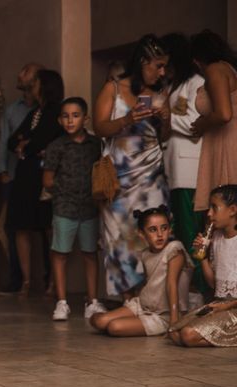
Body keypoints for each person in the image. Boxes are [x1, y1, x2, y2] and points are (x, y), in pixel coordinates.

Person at [93, 34, 171, 297]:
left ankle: (154, 296)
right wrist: (127, 119)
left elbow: (166, 137)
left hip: (152, 176)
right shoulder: (113, 88)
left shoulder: (161, 92)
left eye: (164, 66)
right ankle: (128, 299)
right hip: (120, 177)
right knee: (119, 236)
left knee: (153, 233)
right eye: (157, 65)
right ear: (142, 62)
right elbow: (99, 127)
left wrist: (165, 119)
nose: (162, 72)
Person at [42, 97, 107, 321]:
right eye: (66, 116)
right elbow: (48, 180)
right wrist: (66, 190)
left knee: (90, 253)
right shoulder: (56, 146)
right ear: (60, 120)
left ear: (86, 118)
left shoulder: (96, 145)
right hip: (64, 207)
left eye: (76, 115)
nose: (70, 120)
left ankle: (92, 301)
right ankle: (61, 302)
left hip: (90, 208)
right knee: (60, 254)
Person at [91, 205, 193, 337]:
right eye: (152, 230)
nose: (160, 234)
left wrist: (174, 321)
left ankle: (135, 323)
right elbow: (151, 283)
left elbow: (171, 284)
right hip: (143, 305)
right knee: (98, 321)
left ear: (170, 229)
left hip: (164, 315)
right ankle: (125, 319)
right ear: (141, 233)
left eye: (164, 228)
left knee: (114, 327)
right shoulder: (145, 254)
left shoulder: (175, 249)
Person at [7, 69, 65, 297]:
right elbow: (13, 141)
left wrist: (27, 145)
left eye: (36, 82)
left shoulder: (54, 112)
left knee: (47, 227)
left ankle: (52, 280)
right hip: (25, 174)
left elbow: (42, 141)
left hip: (43, 175)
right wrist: (25, 145)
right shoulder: (35, 113)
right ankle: (27, 281)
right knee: (21, 225)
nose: (32, 85)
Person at [161, 33, 207, 293]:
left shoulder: (196, 82)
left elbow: (193, 123)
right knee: (181, 233)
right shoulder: (174, 84)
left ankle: (199, 290)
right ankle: (190, 290)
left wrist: (165, 117)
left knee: (192, 235)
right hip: (174, 169)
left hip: (189, 170)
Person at [169, 185, 237, 347]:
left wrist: (228, 306)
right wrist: (203, 257)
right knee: (173, 331)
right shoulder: (216, 239)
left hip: (233, 307)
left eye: (214, 207)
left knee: (187, 336)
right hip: (220, 304)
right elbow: (213, 284)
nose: (209, 213)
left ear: (232, 210)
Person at [0, 64, 41, 295]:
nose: (19, 75)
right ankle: (18, 279)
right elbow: (5, 140)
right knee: (14, 229)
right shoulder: (12, 110)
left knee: (41, 229)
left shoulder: (45, 109)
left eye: (25, 71)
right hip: (14, 175)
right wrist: (2, 170)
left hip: (40, 176)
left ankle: (45, 281)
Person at [191, 30, 237, 211]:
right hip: (223, 140)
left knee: (226, 207)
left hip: (226, 142)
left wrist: (202, 124)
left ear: (197, 59)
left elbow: (224, 114)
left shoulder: (215, 69)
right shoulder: (228, 67)